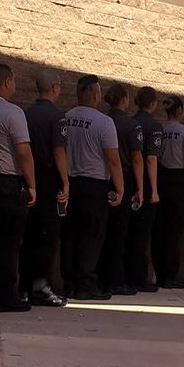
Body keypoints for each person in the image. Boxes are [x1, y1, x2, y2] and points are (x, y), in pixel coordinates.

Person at [0, 63, 37, 312]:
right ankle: (6, 296)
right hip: (6, 181)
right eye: (13, 80)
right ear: (6, 82)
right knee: (9, 243)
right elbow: (23, 152)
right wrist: (32, 185)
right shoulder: (13, 113)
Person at [61, 75, 123, 300]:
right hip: (94, 185)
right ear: (96, 95)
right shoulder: (104, 122)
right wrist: (120, 188)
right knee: (91, 236)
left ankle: (68, 283)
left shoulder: (66, 118)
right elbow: (113, 159)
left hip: (69, 183)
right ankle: (86, 284)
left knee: (70, 235)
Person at [20, 69, 68, 307]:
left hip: (28, 180)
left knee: (27, 236)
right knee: (47, 236)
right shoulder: (58, 117)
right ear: (53, 88)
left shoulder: (26, 114)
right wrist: (66, 181)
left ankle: (24, 288)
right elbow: (59, 151)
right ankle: (41, 286)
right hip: (49, 182)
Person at [98, 83, 143, 295]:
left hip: (101, 177)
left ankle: (100, 277)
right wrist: (140, 188)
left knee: (102, 233)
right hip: (123, 177)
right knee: (119, 233)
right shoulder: (131, 125)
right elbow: (136, 158)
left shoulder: (103, 120)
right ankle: (115, 280)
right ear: (124, 99)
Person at [153, 95, 184, 288]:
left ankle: (159, 272)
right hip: (179, 181)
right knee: (175, 229)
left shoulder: (160, 128)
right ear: (179, 110)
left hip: (161, 177)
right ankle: (171, 275)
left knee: (160, 228)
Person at [126, 87, 163, 292]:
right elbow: (150, 158)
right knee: (142, 234)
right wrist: (154, 190)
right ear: (153, 104)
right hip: (145, 185)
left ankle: (124, 275)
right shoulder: (154, 126)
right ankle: (138, 278)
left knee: (127, 232)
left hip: (127, 181)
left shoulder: (132, 122)